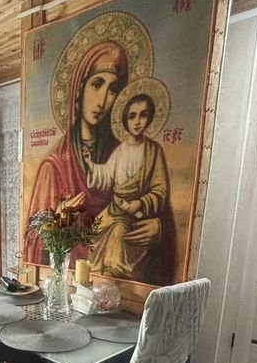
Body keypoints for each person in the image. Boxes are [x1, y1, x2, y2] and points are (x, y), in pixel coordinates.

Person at [25, 41, 161, 266]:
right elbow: (32, 240)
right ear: (79, 89)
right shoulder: (55, 165)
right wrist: (58, 219)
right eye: (97, 85)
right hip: (71, 276)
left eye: (113, 90)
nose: (103, 100)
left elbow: (147, 200)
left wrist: (158, 228)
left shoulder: (125, 152)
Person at [84, 92, 171, 281]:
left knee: (118, 235)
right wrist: (91, 165)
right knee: (90, 234)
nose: (137, 121)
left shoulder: (153, 151)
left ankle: (110, 281)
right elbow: (107, 174)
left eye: (143, 115)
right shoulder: (121, 149)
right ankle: (97, 279)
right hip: (115, 208)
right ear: (125, 119)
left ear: (150, 118)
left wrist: (140, 203)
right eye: (132, 116)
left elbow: (160, 189)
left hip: (133, 214)